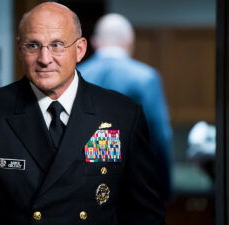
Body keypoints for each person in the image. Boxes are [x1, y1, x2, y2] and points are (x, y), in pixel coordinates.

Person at [0, 3, 165, 225]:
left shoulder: (123, 114)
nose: (45, 59)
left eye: (57, 45)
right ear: (19, 49)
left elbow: (144, 213)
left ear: (80, 49)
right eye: (33, 45)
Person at [78, 13, 173, 201]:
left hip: (81, 186)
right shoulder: (145, 78)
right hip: (132, 184)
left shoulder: (76, 75)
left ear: (94, 42)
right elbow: (159, 135)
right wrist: (164, 187)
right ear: (130, 40)